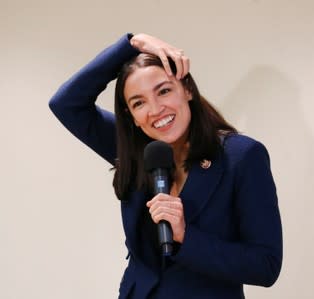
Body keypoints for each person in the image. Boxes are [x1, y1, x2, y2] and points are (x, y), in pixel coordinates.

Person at [49, 33, 282, 299]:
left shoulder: (242, 156)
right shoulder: (136, 150)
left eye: (163, 90)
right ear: (132, 116)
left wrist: (186, 237)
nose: (156, 109)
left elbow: (266, 265)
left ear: (187, 89)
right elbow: (66, 104)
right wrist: (133, 43)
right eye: (139, 102)